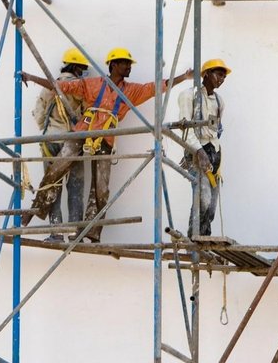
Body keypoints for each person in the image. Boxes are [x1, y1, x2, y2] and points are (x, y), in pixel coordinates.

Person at [20, 47, 193, 242]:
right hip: (83, 132)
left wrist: (183, 78)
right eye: (125, 63)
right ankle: (35, 209)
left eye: (129, 63)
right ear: (113, 65)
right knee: (56, 170)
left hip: (106, 139)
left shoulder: (131, 91)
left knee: (100, 188)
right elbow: (61, 87)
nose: (129, 67)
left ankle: (91, 232)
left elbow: (156, 87)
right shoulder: (93, 85)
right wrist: (32, 77)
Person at [32, 48, 89, 243]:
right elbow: (86, 115)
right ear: (75, 68)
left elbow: (39, 115)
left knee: (52, 186)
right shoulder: (81, 88)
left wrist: (49, 128)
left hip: (50, 141)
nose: (83, 73)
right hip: (72, 142)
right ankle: (74, 234)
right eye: (82, 69)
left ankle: (55, 232)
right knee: (75, 187)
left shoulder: (49, 86)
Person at [177, 58, 230, 238]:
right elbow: (185, 130)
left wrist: (214, 154)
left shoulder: (219, 101)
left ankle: (204, 240)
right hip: (197, 150)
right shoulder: (189, 95)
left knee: (212, 206)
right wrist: (197, 151)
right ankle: (195, 240)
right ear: (206, 74)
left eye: (223, 76)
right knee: (203, 200)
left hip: (214, 152)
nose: (221, 79)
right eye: (218, 74)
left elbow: (217, 129)